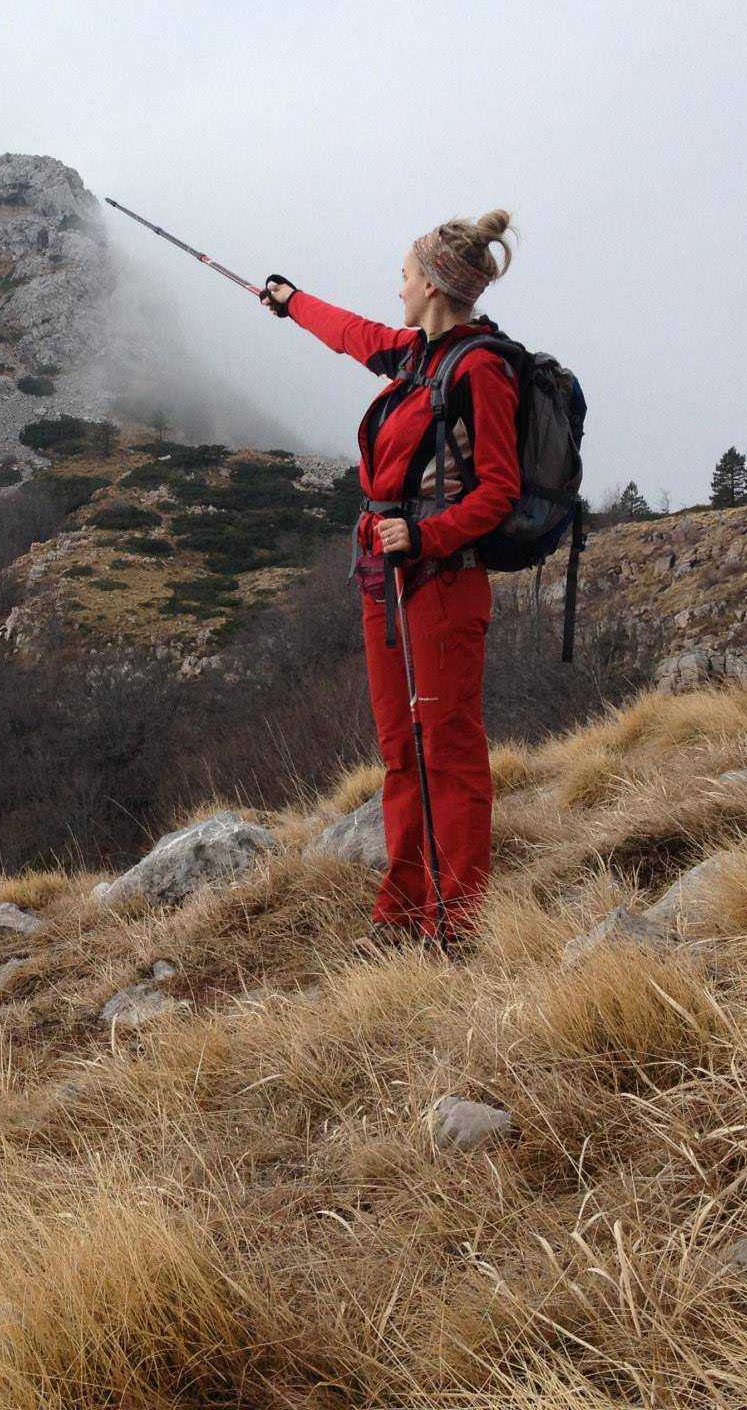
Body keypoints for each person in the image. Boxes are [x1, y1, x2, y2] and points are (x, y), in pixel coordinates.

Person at [261, 211, 519, 957]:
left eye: (405, 274)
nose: (397, 285)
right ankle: (403, 914)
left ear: (434, 285)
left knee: (449, 750)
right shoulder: (415, 355)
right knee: (404, 750)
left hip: (442, 584)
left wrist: (427, 533)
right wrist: (291, 300)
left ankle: (458, 924)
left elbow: (498, 489)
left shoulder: (480, 371)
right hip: (387, 584)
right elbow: (352, 334)